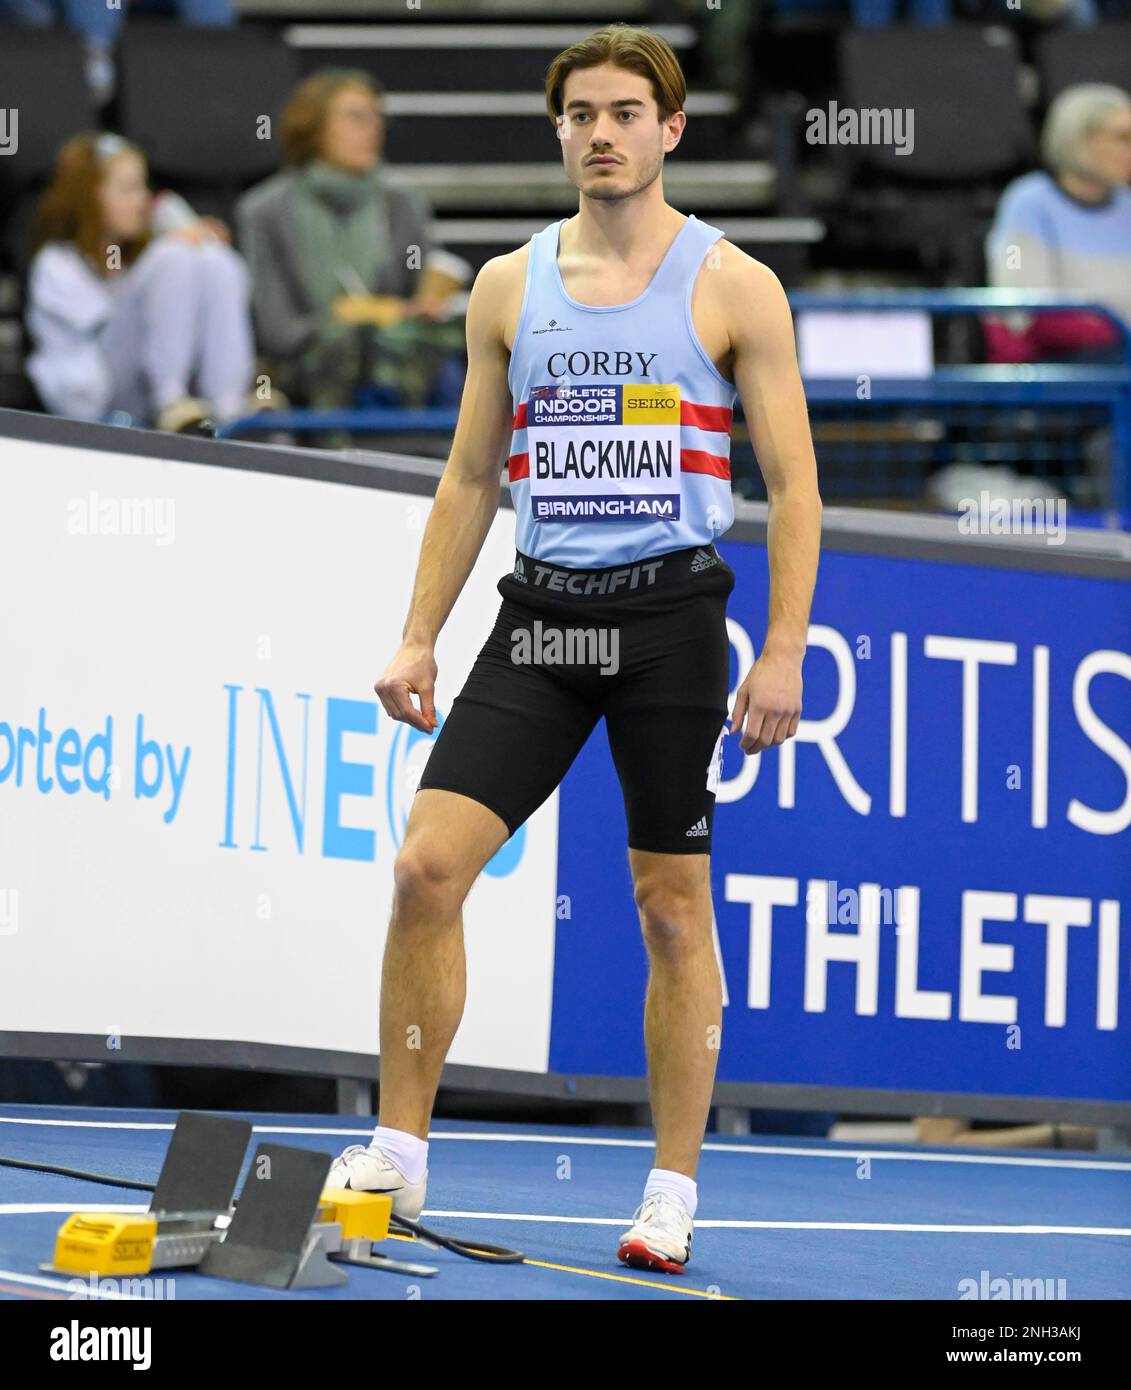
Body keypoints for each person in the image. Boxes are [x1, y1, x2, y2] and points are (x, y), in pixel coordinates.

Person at [325, 23, 822, 1275]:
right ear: (558, 133)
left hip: (670, 625)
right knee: (427, 870)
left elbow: (796, 486)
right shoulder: (507, 284)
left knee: (669, 910)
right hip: (540, 620)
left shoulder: (734, 285)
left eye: (623, 112)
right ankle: (399, 1146)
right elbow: (470, 474)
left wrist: (783, 652)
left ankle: (669, 1189)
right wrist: (419, 633)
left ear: (672, 130)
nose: (600, 133)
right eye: (580, 114)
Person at [236, 69, 469, 416]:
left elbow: (418, 295)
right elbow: (278, 330)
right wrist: (353, 320)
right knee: (343, 353)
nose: (372, 127)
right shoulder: (265, 211)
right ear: (313, 127)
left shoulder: (404, 204)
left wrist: (422, 309)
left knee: (448, 363)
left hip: (396, 356)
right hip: (307, 365)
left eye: (377, 117)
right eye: (355, 117)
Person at [26, 132, 257, 432]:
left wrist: (199, 244)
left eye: (142, 187)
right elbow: (109, 327)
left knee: (213, 257)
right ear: (89, 196)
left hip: (146, 383)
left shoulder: (143, 254)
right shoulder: (57, 262)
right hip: (100, 395)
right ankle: (169, 397)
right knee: (174, 255)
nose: (142, 201)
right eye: (127, 189)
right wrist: (168, 258)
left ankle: (228, 401)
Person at [983, 84, 1131, 365]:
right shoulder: (1028, 203)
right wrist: (1112, 330)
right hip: (1057, 368)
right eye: (1122, 137)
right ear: (1081, 141)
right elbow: (1023, 307)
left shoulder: (1127, 206)